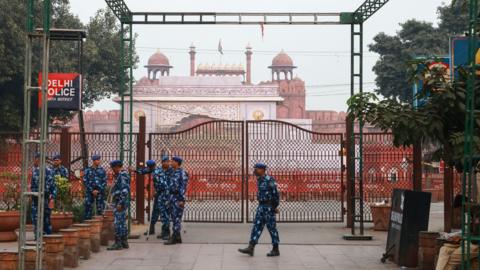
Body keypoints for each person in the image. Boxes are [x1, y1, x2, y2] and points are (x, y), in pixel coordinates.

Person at [238, 162, 280, 257]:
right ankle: (251, 247)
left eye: (257, 168)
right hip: (261, 207)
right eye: (255, 168)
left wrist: (274, 207)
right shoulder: (259, 180)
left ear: (263, 170)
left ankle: (276, 249)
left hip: (269, 208)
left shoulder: (269, 180)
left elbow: (276, 194)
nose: (255, 170)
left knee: (272, 228)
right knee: (256, 227)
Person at [436, 195, 479, 269]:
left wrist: (462, 237)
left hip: (475, 244)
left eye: (460, 209)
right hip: (469, 242)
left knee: (450, 259)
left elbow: (475, 237)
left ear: (464, 205)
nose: (462, 212)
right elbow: (471, 232)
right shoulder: (471, 213)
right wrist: (460, 237)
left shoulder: (477, 213)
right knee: (444, 250)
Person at [31, 153, 57, 237]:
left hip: (46, 198)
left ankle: (47, 239)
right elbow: (32, 185)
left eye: (37, 158)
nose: (35, 160)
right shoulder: (35, 171)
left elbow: (53, 186)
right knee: (36, 219)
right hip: (36, 199)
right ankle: (38, 238)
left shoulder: (50, 171)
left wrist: (52, 198)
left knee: (46, 219)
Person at [164, 156, 188, 245]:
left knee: (177, 218)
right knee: (174, 218)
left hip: (178, 198)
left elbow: (183, 187)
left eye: (173, 161)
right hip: (172, 197)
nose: (171, 163)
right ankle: (177, 237)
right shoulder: (173, 172)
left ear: (177, 163)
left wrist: (181, 199)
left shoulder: (182, 173)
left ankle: (174, 237)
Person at [107, 160, 131, 250]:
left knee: (117, 223)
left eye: (113, 168)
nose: (112, 170)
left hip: (120, 203)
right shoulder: (120, 175)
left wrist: (120, 203)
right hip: (119, 202)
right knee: (122, 223)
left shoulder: (122, 175)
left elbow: (124, 191)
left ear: (117, 167)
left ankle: (118, 243)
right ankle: (124, 242)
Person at [133, 159, 159, 236]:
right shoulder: (152, 170)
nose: (148, 168)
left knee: (164, 213)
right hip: (158, 195)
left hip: (163, 194)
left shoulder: (157, 172)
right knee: (155, 212)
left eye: (149, 167)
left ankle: (165, 232)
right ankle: (151, 229)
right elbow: (143, 171)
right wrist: (134, 170)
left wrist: (152, 192)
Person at [83, 155, 108, 219]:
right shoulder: (88, 170)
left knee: (100, 208)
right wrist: (92, 190)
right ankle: (87, 223)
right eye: (97, 160)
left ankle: (99, 225)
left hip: (100, 192)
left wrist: (98, 190)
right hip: (90, 192)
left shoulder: (102, 170)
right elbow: (85, 181)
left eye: (99, 160)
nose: (99, 161)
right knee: (88, 207)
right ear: (93, 161)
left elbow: (104, 182)